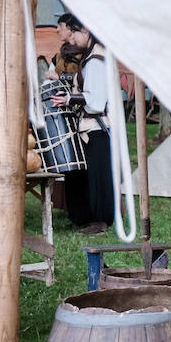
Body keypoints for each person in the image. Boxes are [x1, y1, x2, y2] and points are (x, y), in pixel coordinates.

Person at [51, 13, 112, 234]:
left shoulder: (96, 60)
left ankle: (100, 220)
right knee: (91, 173)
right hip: (90, 127)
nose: (72, 39)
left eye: (74, 33)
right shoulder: (91, 57)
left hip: (97, 126)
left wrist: (68, 99)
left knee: (98, 174)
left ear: (85, 31)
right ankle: (89, 218)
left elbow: (95, 101)